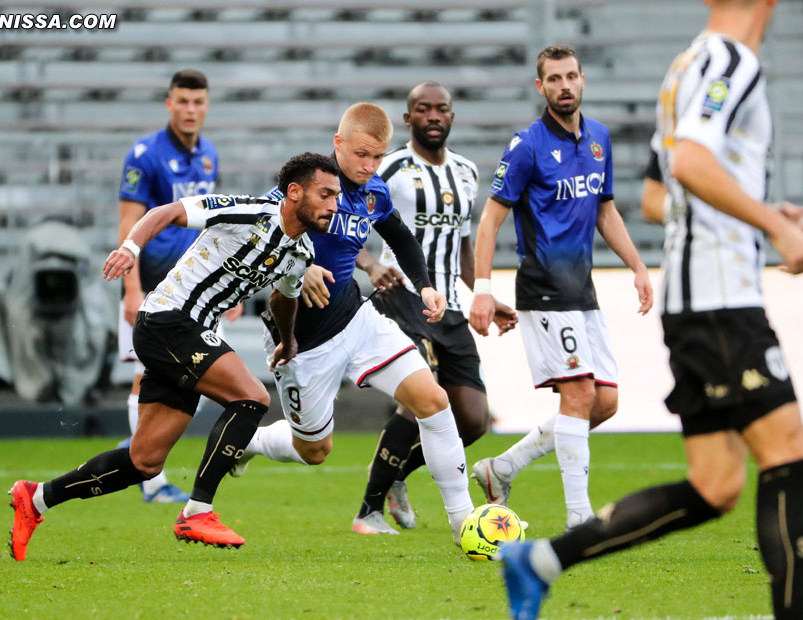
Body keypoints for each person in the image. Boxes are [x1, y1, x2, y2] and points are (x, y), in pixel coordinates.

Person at [500, 2, 803, 619]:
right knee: (787, 456)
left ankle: (542, 560)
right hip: (721, 299)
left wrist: (765, 214)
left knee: (716, 484)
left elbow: (653, 196)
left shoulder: (687, 66)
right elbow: (693, 165)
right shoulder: (731, 60)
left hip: (695, 300)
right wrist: (772, 229)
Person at [7, 153, 341, 561]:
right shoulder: (251, 213)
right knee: (252, 397)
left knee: (144, 461)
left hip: (188, 334)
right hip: (167, 319)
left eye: (336, 197)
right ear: (294, 192)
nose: (333, 205)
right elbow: (166, 211)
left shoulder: (300, 253)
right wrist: (131, 248)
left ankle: (36, 498)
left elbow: (284, 297)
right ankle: (198, 511)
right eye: (325, 194)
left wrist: (288, 342)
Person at [231, 102, 474, 544]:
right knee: (314, 451)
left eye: (378, 157)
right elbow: (261, 237)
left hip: (357, 318)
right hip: (301, 340)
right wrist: (296, 266)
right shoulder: (307, 188)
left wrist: (424, 286)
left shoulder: (374, 191)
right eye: (361, 155)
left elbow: (400, 235)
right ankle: (254, 443)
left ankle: (465, 524)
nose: (369, 166)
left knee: (433, 401)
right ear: (337, 143)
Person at [469, 45, 653, 530]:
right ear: (541, 87)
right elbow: (489, 222)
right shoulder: (526, 146)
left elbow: (605, 210)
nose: (564, 85)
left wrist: (636, 265)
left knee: (604, 403)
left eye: (571, 76)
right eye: (554, 79)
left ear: (583, 80)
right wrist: (483, 289)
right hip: (544, 286)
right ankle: (579, 520)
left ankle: (501, 468)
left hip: (583, 290)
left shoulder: (599, 139)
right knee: (577, 395)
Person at [350, 82, 517, 534]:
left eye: (441, 109)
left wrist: (483, 290)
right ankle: (368, 511)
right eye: (422, 109)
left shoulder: (465, 171)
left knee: (472, 418)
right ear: (409, 119)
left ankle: (397, 474)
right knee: (421, 396)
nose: (433, 116)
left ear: (451, 116)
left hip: (448, 302)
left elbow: (463, 242)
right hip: (400, 295)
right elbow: (352, 223)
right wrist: (369, 264)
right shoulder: (391, 167)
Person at [117, 69, 236, 503]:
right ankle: (149, 479)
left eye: (198, 102)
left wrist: (227, 289)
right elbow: (129, 224)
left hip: (199, 288)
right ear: (169, 103)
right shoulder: (145, 154)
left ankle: (135, 453)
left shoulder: (208, 155)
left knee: (197, 379)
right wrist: (132, 290)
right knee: (142, 377)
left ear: (207, 105)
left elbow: (214, 225)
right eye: (182, 101)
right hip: (152, 287)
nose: (190, 110)